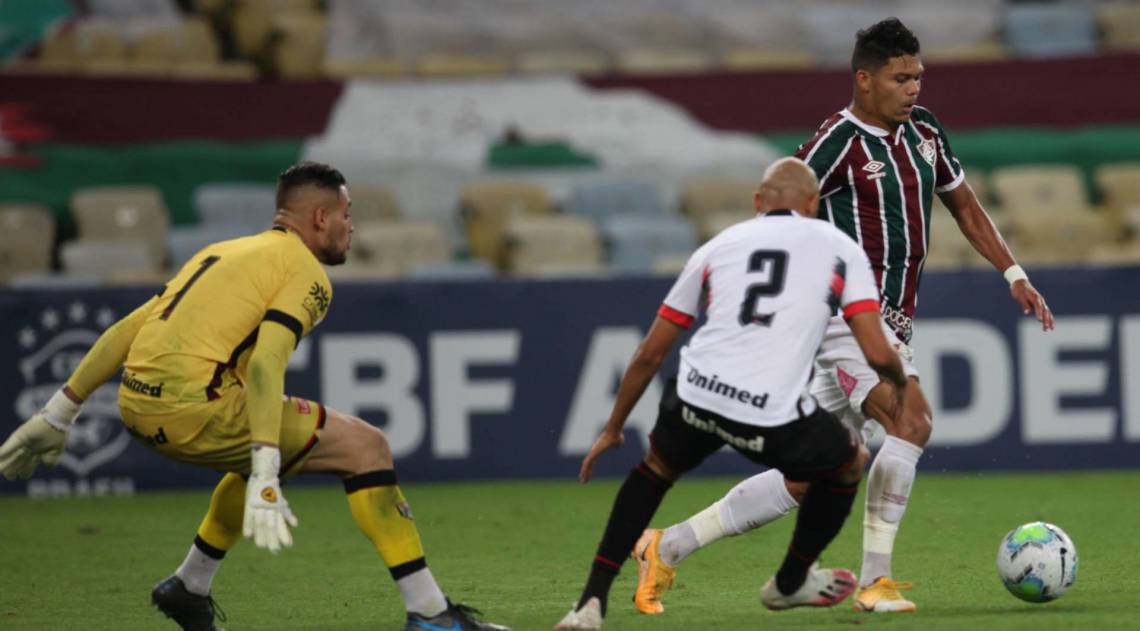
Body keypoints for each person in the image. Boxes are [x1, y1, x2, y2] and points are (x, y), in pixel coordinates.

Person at [632, 17, 1055, 616]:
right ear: (865, 79)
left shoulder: (925, 130)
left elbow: (963, 204)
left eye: (918, 76)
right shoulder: (836, 142)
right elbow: (776, 220)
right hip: (845, 322)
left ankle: (667, 545)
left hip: (889, 322)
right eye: (900, 78)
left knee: (814, 472)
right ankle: (876, 581)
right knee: (911, 419)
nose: (913, 88)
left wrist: (1014, 273)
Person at [0, 162, 510, 631]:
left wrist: (59, 412)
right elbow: (267, 363)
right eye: (346, 214)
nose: (351, 226)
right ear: (320, 218)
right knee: (366, 448)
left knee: (275, 441)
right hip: (197, 410)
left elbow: (127, 329)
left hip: (135, 406)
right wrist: (266, 467)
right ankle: (431, 615)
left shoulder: (220, 252)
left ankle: (188, 586)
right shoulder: (306, 273)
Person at [553, 157, 912, 630]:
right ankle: (790, 581)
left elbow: (649, 353)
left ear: (758, 201)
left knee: (654, 471)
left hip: (696, 394)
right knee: (849, 461)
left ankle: (590, 604)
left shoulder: (717, 246)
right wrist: (901, 380)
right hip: (767, 409)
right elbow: (875, 347)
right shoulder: (838, 247)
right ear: (813, 203)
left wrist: (614, 427)